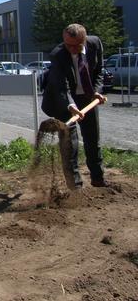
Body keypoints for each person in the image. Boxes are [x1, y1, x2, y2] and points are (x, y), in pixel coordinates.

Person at [41, 23, 108, 188]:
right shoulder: (58, 54)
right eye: (67, 44)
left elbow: (99, 70)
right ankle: (75, 187)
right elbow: (60, 86)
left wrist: (97, 92)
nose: (70, 48)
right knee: (70, 144)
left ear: (84, 40)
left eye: (75, 45)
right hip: (63, 101)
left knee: (93, 139)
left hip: (87, 97)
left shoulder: (95, 43)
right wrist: (70, 106)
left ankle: (98, 179)